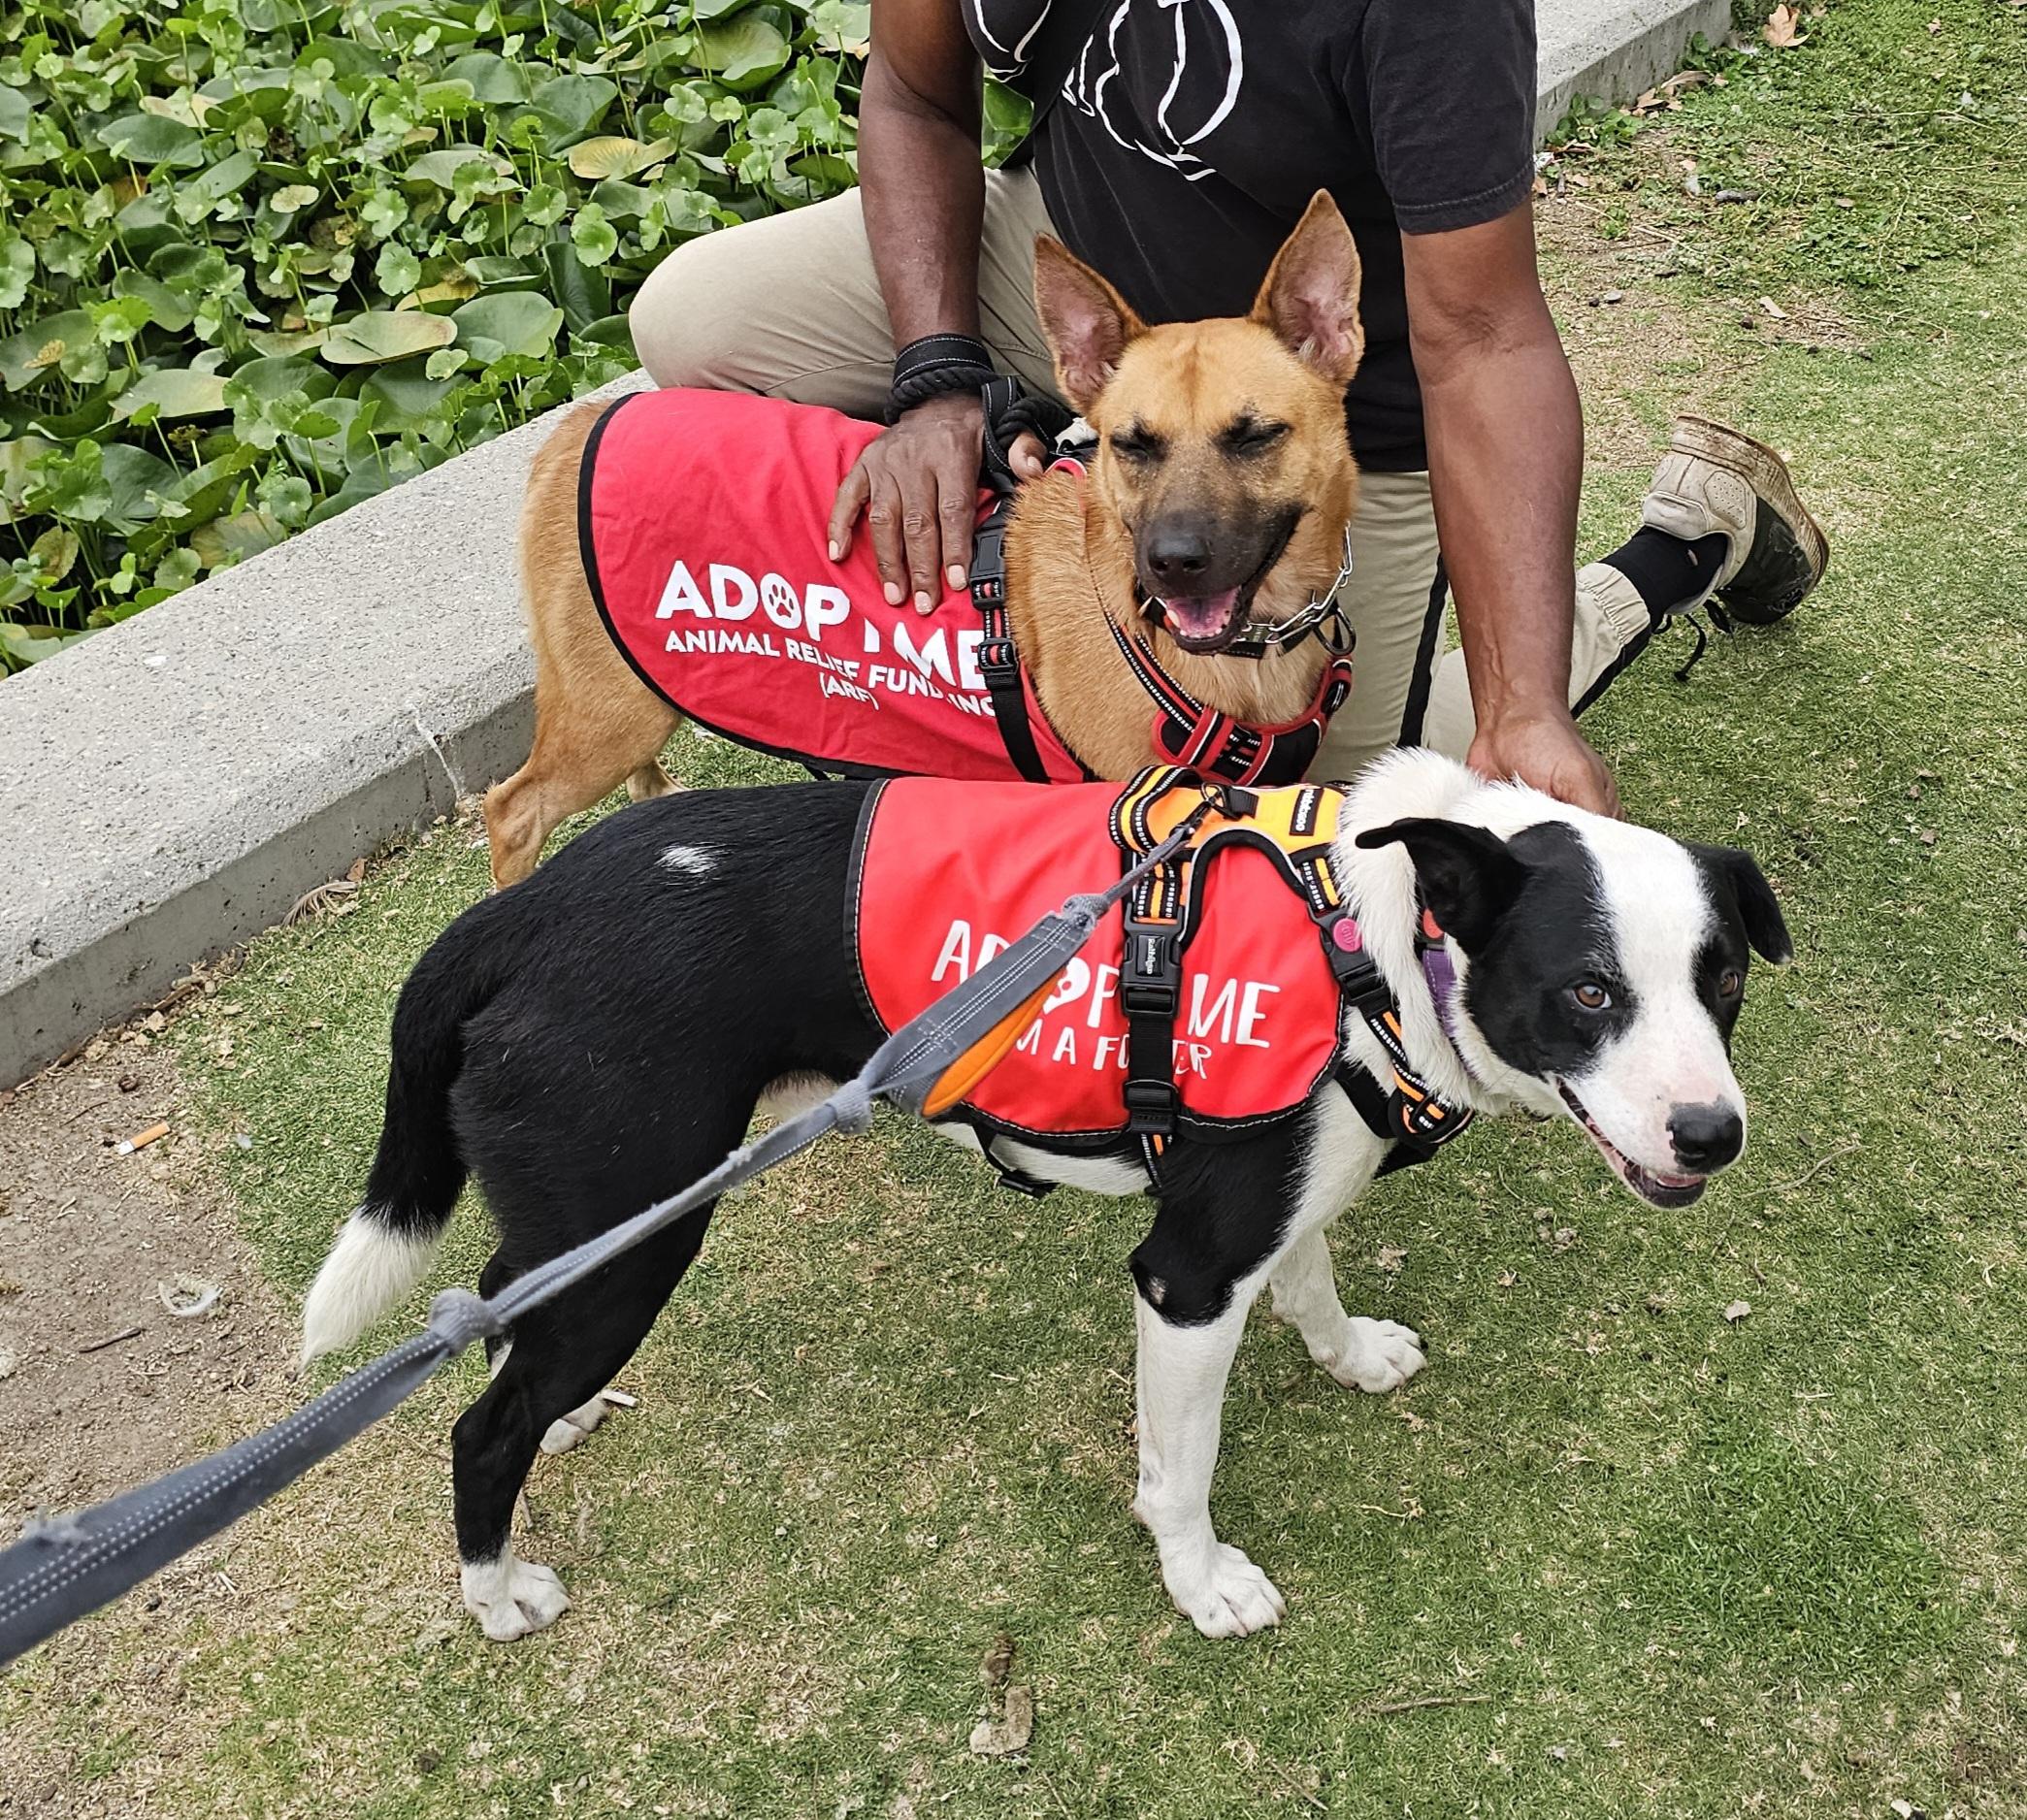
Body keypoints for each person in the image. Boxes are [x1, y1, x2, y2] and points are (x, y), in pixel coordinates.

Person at [628, 0, 1827, 814]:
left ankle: (1679, 547)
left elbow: (1481, 337)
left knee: (1335, 805)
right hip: (1080, 283)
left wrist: (1524, 703)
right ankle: (965, 654)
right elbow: (912, 99)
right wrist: (941, 380)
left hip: (1315, 398)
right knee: (697, 323)